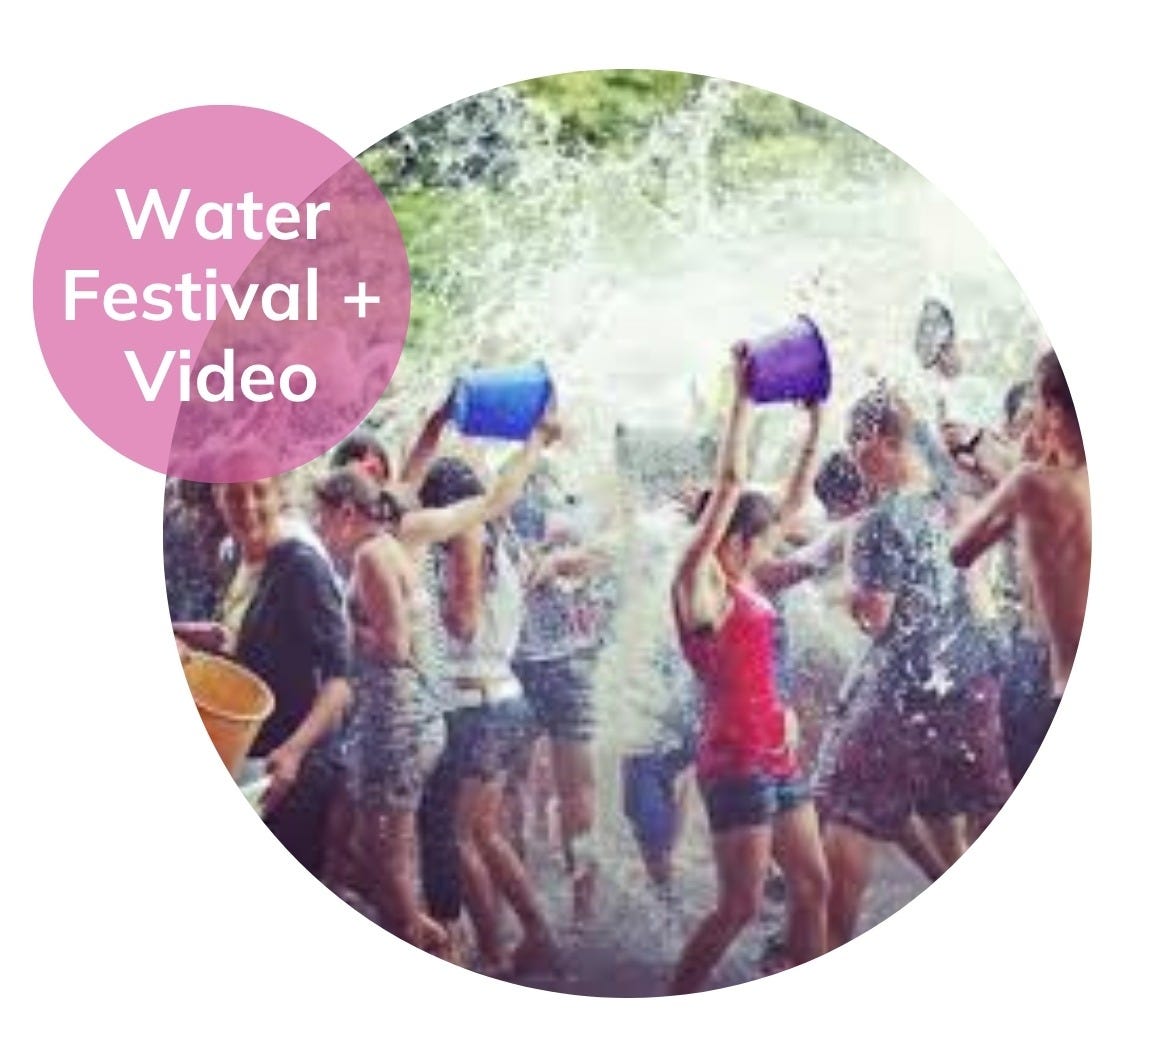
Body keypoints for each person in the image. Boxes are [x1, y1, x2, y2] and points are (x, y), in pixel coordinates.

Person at [815, 388, 1011, 947]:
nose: (854, 454)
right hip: (974, 678)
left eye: (858, 442)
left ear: (881, 442)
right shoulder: (952, 494)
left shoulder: (881, 521)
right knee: (983, 807)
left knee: (846, 811)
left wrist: (852, 596)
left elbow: (877, 619)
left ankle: (827, 952)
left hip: (909, 689)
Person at [669, 343, 830, 994]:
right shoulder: (698, 581)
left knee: (812, 886)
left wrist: (815, 424)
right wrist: (741, 397)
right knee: (738, 907)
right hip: (734, 759)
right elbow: (732, 486)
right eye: (760, 539)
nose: (774, 546)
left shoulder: (747, 576)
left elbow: (786, 503)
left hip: (776, 750)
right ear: (732, 539)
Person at [417, 412, 563, 977]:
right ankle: (535, 936)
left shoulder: (465, 543)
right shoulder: (503, 540)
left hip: (475, 706)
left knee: (462, 837)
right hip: (504, 700)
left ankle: (502, 949)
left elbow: (462, 619)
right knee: (486, 833)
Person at [182, 468, 353, 878]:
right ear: (217, 497)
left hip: (293, 769)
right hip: (250, 754)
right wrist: (196, 635)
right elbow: (248, 641)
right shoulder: (235, 555)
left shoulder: (301, 567)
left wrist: (294, 751)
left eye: (259, 493)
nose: (248, 507)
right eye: (234, 495)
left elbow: (341, 681)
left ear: (280, 494)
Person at [313, 469, 447, 950]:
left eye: (322, 515)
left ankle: (433, 944)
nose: (318, 526)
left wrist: (338, 633)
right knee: (391, 852)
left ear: (347, 512)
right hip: (412, 720)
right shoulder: (390, 546)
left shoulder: (370, 555)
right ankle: (428, 937)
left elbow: (393, 645)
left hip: (396, 723)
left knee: (383, 858)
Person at [952, 350, 1089, 732]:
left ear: (1053, 410)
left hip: (1053, 688)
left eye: (1037, 409)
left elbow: (959, 551)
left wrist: (986, 452)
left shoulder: (1030, 483)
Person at [510, 479, 611, 924]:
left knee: (518, 788)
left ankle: (553, 906)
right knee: (572, 791)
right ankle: (578, 911)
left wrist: (560, 558)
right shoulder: (567, 512)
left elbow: (601, 555)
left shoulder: (511, 523)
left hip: (529, 669)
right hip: (565, 667)